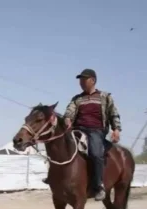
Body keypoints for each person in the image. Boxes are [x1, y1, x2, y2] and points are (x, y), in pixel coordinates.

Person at [43, 68, 121, 201]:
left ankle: (98, 186)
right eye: (80, 80)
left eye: (84, 79)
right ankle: (53, 176)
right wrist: (67, 118)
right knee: (58, 145)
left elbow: (113, 113)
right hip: (77, 129)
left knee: (96, 153)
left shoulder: (105, 97)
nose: (81, 82)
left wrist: (116, 129)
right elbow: (70, 111)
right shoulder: (77, 99)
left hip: (96, 130)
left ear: (93, 80)